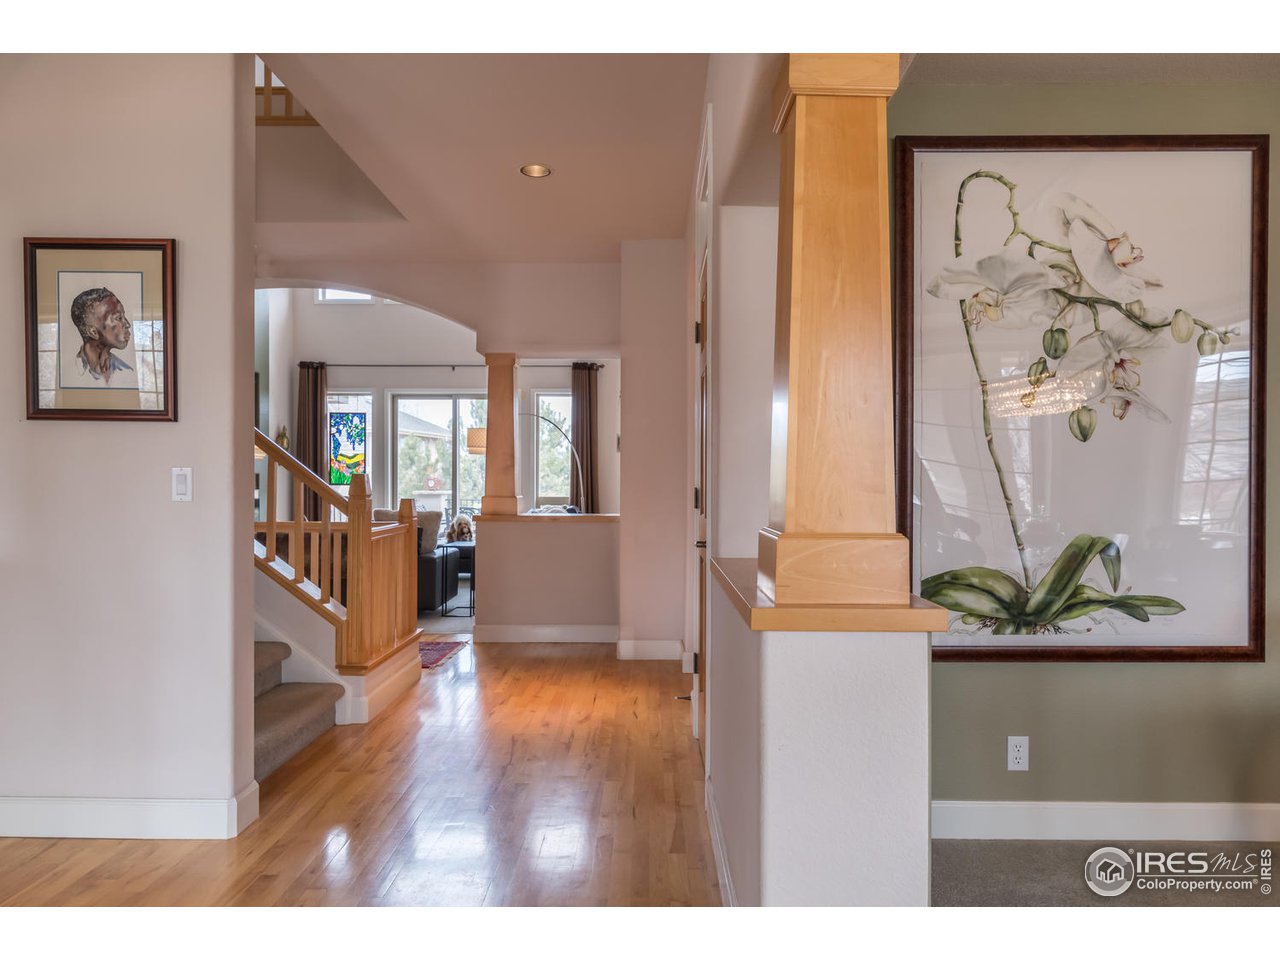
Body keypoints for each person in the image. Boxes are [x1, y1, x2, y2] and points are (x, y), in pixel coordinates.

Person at [70, 287, 133, 384]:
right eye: (119, 318)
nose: (128, 324)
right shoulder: (72, 369)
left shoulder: (126, 372)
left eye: (124, 316)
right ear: (93, 332)